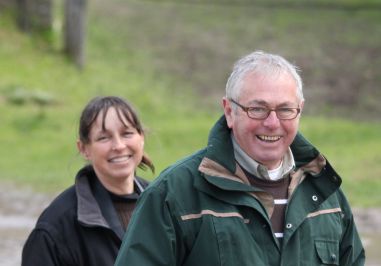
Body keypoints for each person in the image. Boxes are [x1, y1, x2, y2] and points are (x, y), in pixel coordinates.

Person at [115, 51, 365, 266]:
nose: (272, 123)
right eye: (257, 109)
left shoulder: (326, 194)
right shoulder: (173, 195)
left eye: (285, 109)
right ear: (229, 112)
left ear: (299, 110)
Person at [22, 96, 154, 266]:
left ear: (141, 138)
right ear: (84, 149)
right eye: (104, 138)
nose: (119, 146)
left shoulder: (162, 205)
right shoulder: (55, 229)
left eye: (127, 133)